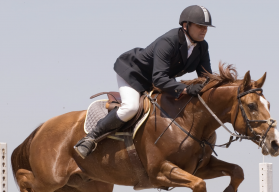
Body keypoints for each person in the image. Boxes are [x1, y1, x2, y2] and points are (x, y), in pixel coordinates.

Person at [74, 5, 215, 159]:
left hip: (157, 79)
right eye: (200, 26)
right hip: (134, 73)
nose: (204, 30)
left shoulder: (202, 46)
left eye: (206, 27)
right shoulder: (169, 41)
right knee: (131, 108)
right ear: (186, 25)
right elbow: (159, 78)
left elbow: (206, 76)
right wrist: (186, 89)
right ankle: (90, 138)